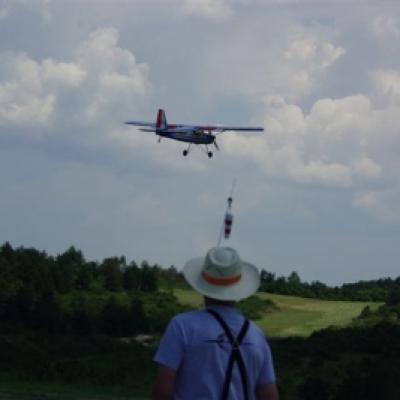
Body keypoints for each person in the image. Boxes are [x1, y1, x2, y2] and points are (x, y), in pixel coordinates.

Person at [152, 246, 279, 400]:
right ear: (238, 289)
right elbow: (269, 396)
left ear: (202, 286)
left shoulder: (182, 326)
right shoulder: (256, 335)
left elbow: (162, 392)